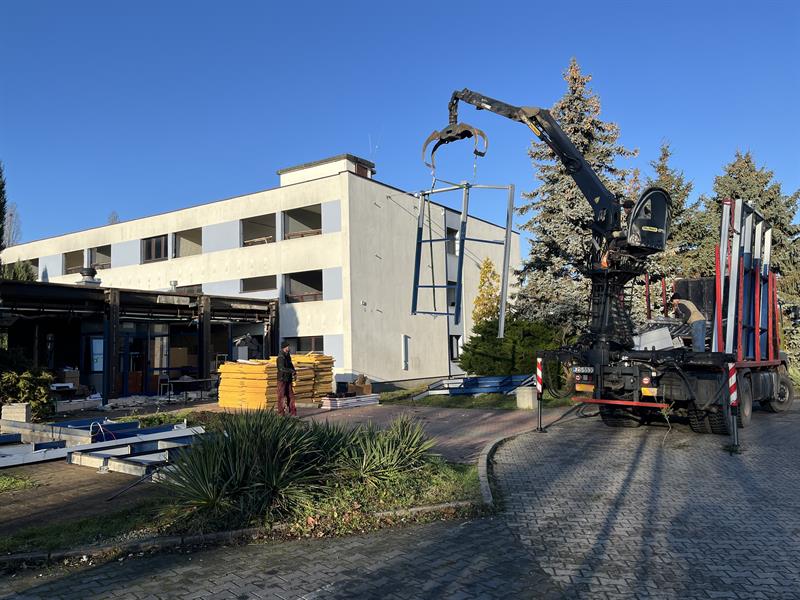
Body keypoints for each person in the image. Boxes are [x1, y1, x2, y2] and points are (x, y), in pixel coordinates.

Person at [276, 340, 297, 416]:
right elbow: (281, 368)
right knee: (281, 396)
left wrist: (294, 372)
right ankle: (281, 413)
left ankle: (293, 413)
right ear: (284, 347)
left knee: (291, 396)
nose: (289, 348)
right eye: (288, 346)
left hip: (288, 379)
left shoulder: (288, 356)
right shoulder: (280, 357)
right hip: (282, 379)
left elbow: (291, 365)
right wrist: (291, 371)